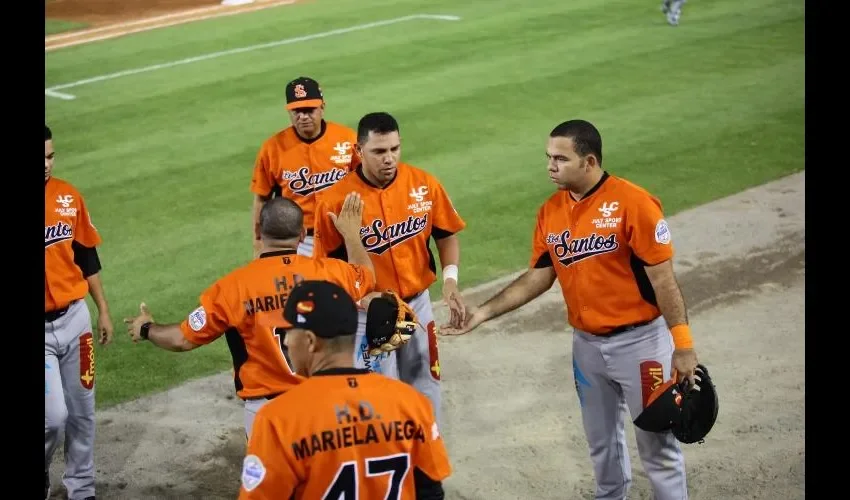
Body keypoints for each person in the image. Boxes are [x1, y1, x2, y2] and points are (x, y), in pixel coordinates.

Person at [442, 119, 700, 500]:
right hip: (587, 348)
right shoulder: (550, 211)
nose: (550, 166)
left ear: (589, 161)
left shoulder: (634, 204)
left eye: (560, 159)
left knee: (656, 444)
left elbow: (664, 281)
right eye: (548, 157)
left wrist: (683, 344)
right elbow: (538, 277)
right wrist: (481, 313)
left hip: (641, 346)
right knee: (601, 444)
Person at [123, 195, 376, 438]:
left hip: (266, 412)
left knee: (272, 482)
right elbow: (365, 275)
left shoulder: (232, 288)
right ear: (301, 235)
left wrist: (146, 328)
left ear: (259, 232)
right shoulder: (330, 273)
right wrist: (351, 234)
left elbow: (181, 339)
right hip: (323, 401)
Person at [312, 111, 467, 427]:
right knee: (378, 393)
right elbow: (324, 267)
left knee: (426, 379)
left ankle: (425, 458)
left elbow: (446, 234)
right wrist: (356, 297)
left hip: (418, 304)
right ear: (358, 151)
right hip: (367, 314)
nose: (389, 159)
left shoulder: (423, 184)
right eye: (379, 151)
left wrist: (450, 280)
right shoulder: (335, 201)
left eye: (394, 149)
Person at [238, 280, 452, 499]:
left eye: (290, 333)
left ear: (310, 342)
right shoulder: (412, 404)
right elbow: (430, 493)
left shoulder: (278, 420)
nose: (286, 343)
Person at [45, 124, 114, 500]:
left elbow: (87, 256)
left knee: (83, 411)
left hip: (75, 320)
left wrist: (102, 309)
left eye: (51, 155)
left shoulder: (68, 196)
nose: (46, 163)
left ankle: (82, 489)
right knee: (53, 418)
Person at [250, 76, 359, 258]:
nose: (303, 116)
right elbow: (262, 198)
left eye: (309, 110)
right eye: (297, 111)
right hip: (300, 241)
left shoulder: (347, 139)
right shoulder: (272, 148)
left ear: (322, 107)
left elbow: (367, 183)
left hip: (344, 233)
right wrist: (258, 241)